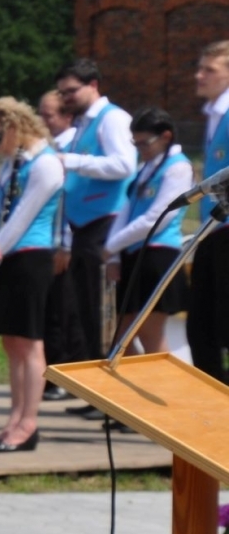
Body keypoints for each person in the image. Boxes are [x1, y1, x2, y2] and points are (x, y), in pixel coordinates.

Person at [0, 98, 66, 453]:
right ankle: (15, 417)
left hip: (30, 256)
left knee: (28, 341)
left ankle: (29, 422)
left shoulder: (46, 165)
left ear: (14, 128)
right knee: (11, 342)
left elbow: (21, 218)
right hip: (7, 255)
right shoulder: (13, 163)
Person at [54, 59, 135, 390]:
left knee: (103, 312)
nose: (66, 98)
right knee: (86, 308)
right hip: (84, 226)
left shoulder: (112, 119)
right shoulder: (83, 124)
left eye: (71, 91)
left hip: (105, 223)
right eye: (62, 93)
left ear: (93, 85)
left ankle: (113, 393)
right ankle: (99, 394)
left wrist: (70, 161)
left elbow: (123, 164)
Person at [104, 109, 193, 356]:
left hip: (158, 255)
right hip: (134, 254)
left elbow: (158, 218)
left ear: (166, 136)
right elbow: (125, 211)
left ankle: (163, 392)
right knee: (122, 335)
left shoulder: (178, 167)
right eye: (136, 143)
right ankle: (132, 392)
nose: (140, 148)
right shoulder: (145, 169)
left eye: (145, 142)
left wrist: (111, 246)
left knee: (149, 332)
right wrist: (113, 255)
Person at [188, 40, 229, 384]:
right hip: (212, 230)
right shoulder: (215, 115)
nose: (199, 76)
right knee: (202, 326)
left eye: (210, 70)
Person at [37, 89, 77, 398]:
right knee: (51, 311)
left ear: (67, 117)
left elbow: (66, 203)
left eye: (48, 115)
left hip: (62, 241)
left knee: (63, 314)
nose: (42, 120)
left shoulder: (65, 151)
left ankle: (62, 374)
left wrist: (65, 243)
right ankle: (52, 373)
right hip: (48, 240)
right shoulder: (49, 149)